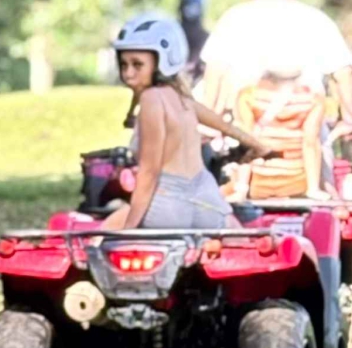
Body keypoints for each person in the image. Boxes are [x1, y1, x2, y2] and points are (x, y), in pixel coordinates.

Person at [101, 15, 269, 231]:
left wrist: (128, 228)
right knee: (236, 239)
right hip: (209, 203)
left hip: (168, 204)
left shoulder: (151, 99)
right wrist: (257, 147)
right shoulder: (182, 99)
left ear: (161, 63)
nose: (128, 73)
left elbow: (149, 172)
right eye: (124, 65)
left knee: (99, 238)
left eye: (137, 65)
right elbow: (226, 127)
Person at [197, 0, 352, 136]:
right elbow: (345, 76)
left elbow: (213, 84)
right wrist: (350, 119)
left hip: (246, 136)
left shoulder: (233, 19)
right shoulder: (317, 20)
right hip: (305, 138)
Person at [230, 55, 332, 201]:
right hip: (296, 183)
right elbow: (310, 143)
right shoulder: (312, 99)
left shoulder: (249, 96)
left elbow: (246, 141)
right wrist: (313, 189)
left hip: (258, 183)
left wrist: (241, 188)